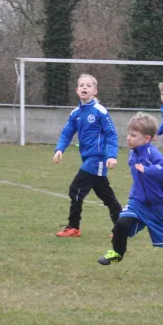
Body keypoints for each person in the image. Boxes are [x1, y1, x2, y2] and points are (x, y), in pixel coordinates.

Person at [98, 112, 163, 281]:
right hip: (138, 202)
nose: (128, 138)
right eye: (128, 134)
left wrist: (148, 169)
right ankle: (118, 252)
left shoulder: (152, 153)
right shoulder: (133, 152)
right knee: (121, 223)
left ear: (147, 139)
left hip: (159, 205)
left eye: (133, 135)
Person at [53, 74, 122, 238]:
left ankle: (73, 227)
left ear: (95, 91)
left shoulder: (100, 111)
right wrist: (59, 149)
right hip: (87, 158)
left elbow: (111, 135)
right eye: (82, 85)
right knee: (106, 195)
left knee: (75, 189)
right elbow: (66, 133)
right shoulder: (75, 113)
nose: (85, 87)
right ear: (77, 90)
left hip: (97, 159)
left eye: (88, 85)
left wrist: (112, 155)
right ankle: (123, 227)